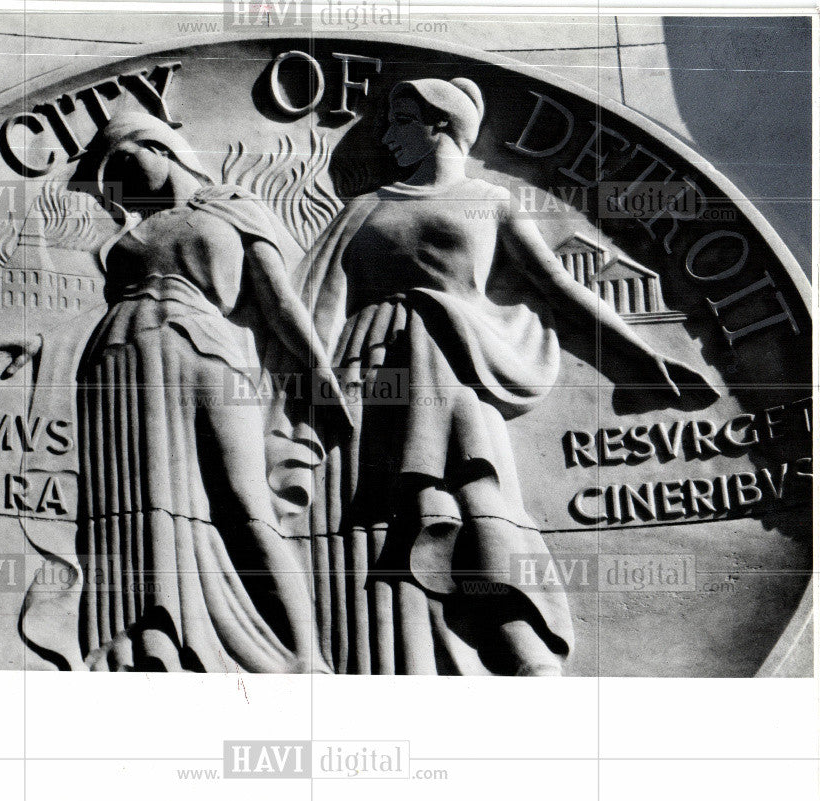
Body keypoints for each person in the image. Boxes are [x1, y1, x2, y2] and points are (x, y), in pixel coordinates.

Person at [295, 78, 716, 675]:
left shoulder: (489, 201)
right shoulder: (364, 208)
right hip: (369, 377)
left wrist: (641, 359)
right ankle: (399, 665)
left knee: (473, 496)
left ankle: (512, 644)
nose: (386, 134)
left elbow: (558, 289)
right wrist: (307, 401)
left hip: (457, 367)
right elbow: (321, 312)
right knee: (379, 520)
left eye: (401, 119)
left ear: (440, 123)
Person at [0, 111, 344, 673]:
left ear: (161, 148)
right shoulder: (127, 238)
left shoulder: (233, 205)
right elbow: (111, 309)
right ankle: (149, 640)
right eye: (104, 173)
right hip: (116, 364)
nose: (115, 178)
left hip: (205, 349)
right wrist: (41, 344)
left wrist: (322, 378)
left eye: (121, 161)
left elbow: (279, 300)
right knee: (124, 506)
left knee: (245, 505)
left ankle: (306, 658)